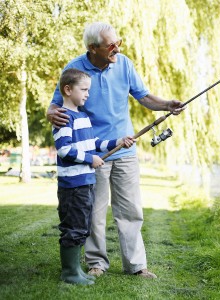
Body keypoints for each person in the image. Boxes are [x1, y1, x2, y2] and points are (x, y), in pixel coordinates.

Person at [47, 22, 185, 279]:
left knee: (130, 210)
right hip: (93, 153)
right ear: (93, 48)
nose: (117, 49)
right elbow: (55, 106)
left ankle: (136, 265)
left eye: (118, 42)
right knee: (94, 212)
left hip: (124, 148)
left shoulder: (124, 64)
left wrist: (168, 104)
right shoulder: (74, 69)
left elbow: (143, 96)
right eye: (111, 45)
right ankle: (96, 264)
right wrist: (52, 115)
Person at [53, 68, 135, 285]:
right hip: (73, 184)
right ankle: (70, 272)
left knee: (82, 225)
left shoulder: (82, 117)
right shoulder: (64, 118)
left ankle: (76, 270)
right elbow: (64, 149)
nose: (88, 94)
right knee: (73, 226)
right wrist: (91, 159)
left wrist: (117, 142)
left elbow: (94, 144)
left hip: (86, 181)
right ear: (68, 89)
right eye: (84, 89)